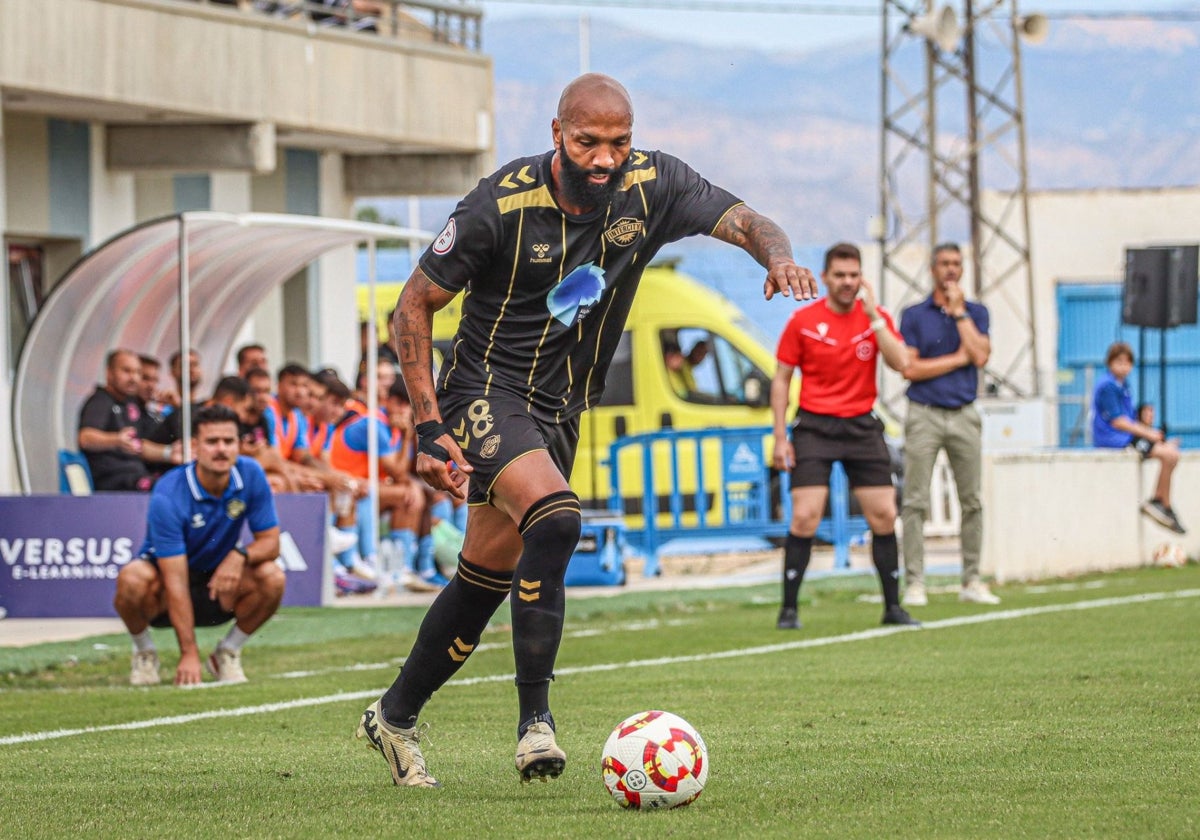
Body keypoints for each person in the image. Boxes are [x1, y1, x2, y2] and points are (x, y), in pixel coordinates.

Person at [355, 72, 818, 789]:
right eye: (588, 142)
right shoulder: (498, 206)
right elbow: (412, 308)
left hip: (561, 409)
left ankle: (393, 715)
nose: (604, 158)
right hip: (485, 391)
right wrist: (425, 425)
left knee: (483, 580)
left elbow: (750, 221)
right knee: (559, 517)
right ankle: (534, 723)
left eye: (618, 142)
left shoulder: (652, 186)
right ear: (557, 136)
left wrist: (778, 257)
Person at [770, 242, 918, 632]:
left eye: (854, 275)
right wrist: (781, 436)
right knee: (804, 517)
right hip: (815, 426)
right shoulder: (803, 322)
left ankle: (892, 607)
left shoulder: (874, 317)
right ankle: (788, 609)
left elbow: (903, 364)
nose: (848, 282)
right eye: (840, 275)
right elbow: (782, 380)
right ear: (826, 278)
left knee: (884, 515)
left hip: (861, 425)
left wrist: (875, 319)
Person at [111, 404, 285, 686]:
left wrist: (239, 554)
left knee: (272, 577)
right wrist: (188, 653)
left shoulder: (251, 474)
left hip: (219, 585)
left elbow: (272, 542)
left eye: (228, 441)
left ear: (238, 445)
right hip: (165, 593)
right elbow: (175, 581)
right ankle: (144, 652)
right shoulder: (169, 492)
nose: (221, 449)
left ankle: (227, 653)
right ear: (195, 446)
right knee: (132, 578)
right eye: (212, 441)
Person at [898, 243, 999, 607]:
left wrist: (959, 316)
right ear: (932, 268)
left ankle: (971, 579)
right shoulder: (913, 315)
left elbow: (982, 355)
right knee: (915, 501)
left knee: (971, 500)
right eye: (944, 264)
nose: (951, 270)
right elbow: (910, 368)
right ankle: (915, 582)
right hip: (924, 412)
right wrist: (959, 358)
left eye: (957, 264)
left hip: (964, 412)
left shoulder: (976, 313)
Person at [1092, 341, 1185, 534]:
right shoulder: (1108, 386)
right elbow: (1118, 421)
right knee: (1169, 456)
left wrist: (1156, 438)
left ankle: (1161, 502)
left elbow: (1131, 419)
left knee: (1172, 453)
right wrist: (1148, 433)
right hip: (1115, 438)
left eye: (1127, 362)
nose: (1123, 366)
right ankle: (1161, 503)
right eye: (1119, 361)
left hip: (1126, 436)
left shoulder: (1123, 385)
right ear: (1109, 363)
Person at [77, 349, 158, 491]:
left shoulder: (131, 403)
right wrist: (116, 440)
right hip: (113, 481)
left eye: (138, 372)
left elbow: (143, 444)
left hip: (137, 475)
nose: (133, 378)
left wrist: (169, 453)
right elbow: (85, 437)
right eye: (126, 371)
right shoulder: (100, 401)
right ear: (109, 373)